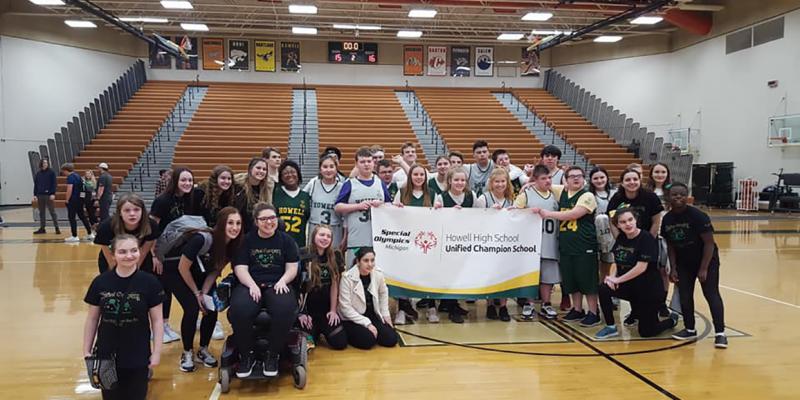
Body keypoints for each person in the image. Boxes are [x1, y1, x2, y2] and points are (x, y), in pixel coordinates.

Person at [83, 234, 164, 400]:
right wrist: (86, 349)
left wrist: (156, 352)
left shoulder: (150, 283)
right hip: (106, 354)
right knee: (110, 396)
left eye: (134, 250)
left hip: (138, 353)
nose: (129, 256)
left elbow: (157, 321)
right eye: (122, 252)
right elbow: (92, 318)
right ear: (113, 255)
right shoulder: (100, 282)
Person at [168, 207, 244, 372]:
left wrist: (204, 292)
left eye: (238, 223)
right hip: (177, 272)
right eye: (230, 223)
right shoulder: (202, 239)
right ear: (221, 223)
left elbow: (215, 271)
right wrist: (196, 293)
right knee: (192, 308)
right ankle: (187, 352)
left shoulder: (232, 246)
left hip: (202, 276)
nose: (235, 227)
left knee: (211, 307)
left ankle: (203, 349)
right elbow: (183, 267)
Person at [229, 203, 299, 378]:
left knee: (285, 310)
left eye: (272, 218)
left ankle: (272, 355)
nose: (269, 222)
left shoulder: (286, 240)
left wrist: (283, 281)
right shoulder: (246, 240)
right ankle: (247, 355)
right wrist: (251, 285)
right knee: (239, 310)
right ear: (256, 222)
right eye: (264, 219)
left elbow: (292, 267)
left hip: (278, 284)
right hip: (250, 283)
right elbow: (240, 268)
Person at [595, 208, 679, 339]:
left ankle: (671, 321)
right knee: (603, 288)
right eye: (623, 222)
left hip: (648, 290)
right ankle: (611, 327)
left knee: (646, 332)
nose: (628, 224)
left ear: (636, 220)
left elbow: (641, 267)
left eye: (630, 220)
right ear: (618, 225)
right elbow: (617, 261)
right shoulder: (621, 238)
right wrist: (612, 278)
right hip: (630, 287)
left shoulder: (646, 239)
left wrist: (618, 280)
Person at [662, 183, 727, 348]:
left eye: (682, 195)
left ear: (687, 196)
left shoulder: (698, 216)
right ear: (668, 197)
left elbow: (709, 244)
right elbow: (670, 246)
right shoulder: (667, 219)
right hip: (684, 263)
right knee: (684, 295)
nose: (678, 198)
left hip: (706, 260)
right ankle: (689, 329)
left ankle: (720, 333)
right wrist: (674, 267)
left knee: (711, 294)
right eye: (674, 195)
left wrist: (704, 268)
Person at [536, 166, 601, 327]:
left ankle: (594, 312)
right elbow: (543, 184)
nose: (576, 179)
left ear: (584, 179)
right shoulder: (562, 191)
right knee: (571, 280)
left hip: (584, 244)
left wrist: (548, 214)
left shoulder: (587, 195)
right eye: (572, 176)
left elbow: (574, 214)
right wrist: (529, 184)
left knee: (588, 280)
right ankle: (577, 309)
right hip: (566, 245)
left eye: (579, 176)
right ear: (566, 180)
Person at [607, 168, 668, 323]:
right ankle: (635, 313)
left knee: (650, 276)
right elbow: (612, 220)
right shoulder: (617, 198)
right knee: (631, 277)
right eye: (628, 180)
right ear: (622, 183)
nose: (632, 182)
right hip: (628, 244)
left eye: (635, 179)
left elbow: (656, 220)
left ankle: (659, 306)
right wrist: (621, 240)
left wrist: (647, 239)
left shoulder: (650, 197)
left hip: (647, 242)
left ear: (640, 180)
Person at [151, 167, 197, 344]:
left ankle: (166, 325)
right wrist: (154, 255)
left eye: (190, 181)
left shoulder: (189, 199)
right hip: (161, 252)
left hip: (179, 252)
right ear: (175, 181)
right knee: (163, 291)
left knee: (174, 288)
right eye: (183, 180)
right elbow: (152, 228)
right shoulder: (162, 201)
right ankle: (161, 326)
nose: (187, 184)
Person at [514, 165, 561, 320]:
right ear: (535, 180)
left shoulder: (555, 194)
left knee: (547, 277)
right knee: (531, 275)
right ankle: (529, 303)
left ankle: (546, 303)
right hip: (531, 243)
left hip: (550, 240)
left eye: (549, 178)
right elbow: (513, 213)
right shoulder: (526, 194)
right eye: (543, 178)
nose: (547, 181)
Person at [334, 147, 392, 266]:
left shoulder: (380, 183)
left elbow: (389, 207)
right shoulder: (349, 184)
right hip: (356, 239)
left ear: (373, 163)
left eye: (369, 161)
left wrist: (381, 205)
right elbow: (338, 207)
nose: (366, 164)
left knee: (375, 277)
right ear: (356, 164)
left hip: (377, 240)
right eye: (362, 162)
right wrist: (357, 206)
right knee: (353, 276)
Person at [432, 166, 475, 323]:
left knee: (460, 273)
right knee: (448, 274)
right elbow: (435, 219)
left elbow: (481, 217)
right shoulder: (441, 197)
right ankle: (450, 306)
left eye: (463, 180)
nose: (459, 182)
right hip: (447, 242)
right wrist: (443, 211)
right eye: (456, 179)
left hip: (465, 241)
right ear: (449, 181)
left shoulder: (472, 196)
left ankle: (453, 303)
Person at [391, 164, 432, 324]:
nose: (419, 177)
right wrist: (395, 209)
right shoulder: (401, 193)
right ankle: (402, 307)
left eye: (422, 174)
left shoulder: (434, 195)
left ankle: (431, 306)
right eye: (415, 174)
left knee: (427, 274)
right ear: (410, 176)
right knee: (404, 274)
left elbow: (441, 217)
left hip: (426, 242)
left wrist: (438, 209)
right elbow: (392, 216)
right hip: (406, 241)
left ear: (425, 177)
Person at [298, 225, 348, 350]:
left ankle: (323, 330)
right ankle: (314, 332)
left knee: (340, 343)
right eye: (321, 235)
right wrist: (302, 313)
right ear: (314, 236)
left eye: (328, 236)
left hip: (325, 311)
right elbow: (298, 286)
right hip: (308, 312)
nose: (325, 238)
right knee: (308, 346)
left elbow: (335, 285)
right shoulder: (304, 253)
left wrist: (333, 310)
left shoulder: (335, 255)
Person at [338, 247, 398, 349]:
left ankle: (371, 332)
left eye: (372, 260)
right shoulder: (347, 278)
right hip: (352, 318)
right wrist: (367, 324)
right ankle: (348, 332)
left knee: (391, 339)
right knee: (368, 341)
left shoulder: (378, 274)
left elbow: (383, 293)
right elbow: (345, 308)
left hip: (371, 315)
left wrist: (386, 316)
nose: (370, 264)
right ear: (358, 262)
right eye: (366, 261)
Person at [475, 168, 514, 321]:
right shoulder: (483, 199)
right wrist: (489, 213)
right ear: (491, 183)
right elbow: (475, 220)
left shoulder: (511, 199)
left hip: (506, 243)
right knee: (489, 274)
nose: (500, 184)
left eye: (503, 181)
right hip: (488, 243)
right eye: (497, 181)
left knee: (504, 274)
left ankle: (503, 306)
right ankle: (490, 304)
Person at [303, 155, 345, 249]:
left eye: (331, 166)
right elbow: (301, 198)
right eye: (325, 167)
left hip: (335, 228)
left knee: (333, 259)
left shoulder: (342, 187)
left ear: (336, 169)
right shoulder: (313, 183)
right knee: (313, 258)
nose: (328, 170)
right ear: (320, 169)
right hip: (315, 227)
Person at [273, 160, 311, 249]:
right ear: (281, 177)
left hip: (299, 244)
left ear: (298, 174)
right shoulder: (275, 193)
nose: (290, 175)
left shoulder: (305, 196)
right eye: (285, 173)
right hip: (278, 243)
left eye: (293, 172)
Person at [589, 167, 616, 280]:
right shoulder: (588, 195)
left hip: (612, 233)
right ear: (591, 180)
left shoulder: (615, 193)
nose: (599, 180)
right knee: (594, 262)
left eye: (602, 177)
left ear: (607, 178)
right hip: (594, 233)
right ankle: (598, 285)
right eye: (596, 178)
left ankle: (607, 285)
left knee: (608, 261)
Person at [234, 157, 274, 234]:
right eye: (258, 168)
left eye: (264, 169)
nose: (261, 171)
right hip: (239, 219)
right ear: (250, 169)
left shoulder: (268, 187)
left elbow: (268, 207)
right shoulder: (238, 184)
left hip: (256, 221)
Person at [61, 163, 94, 243]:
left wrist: (67, 200)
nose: (63, 173)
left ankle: (74, 235)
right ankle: (90, 233)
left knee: (72, 217)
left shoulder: (70, 177)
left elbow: (70, 189)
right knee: (82, 216)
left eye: (63, 171)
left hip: (73, 200)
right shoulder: (78, 176)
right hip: (80, 200)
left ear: (66, 170)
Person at [33, 158, 60, 234]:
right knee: (41, 212)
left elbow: (54, 184)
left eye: (46, 163)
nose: (45, 164)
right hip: (40, 195)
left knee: (52, 212)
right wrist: (35, 194)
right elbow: (36, 185)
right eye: (44, 163)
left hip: (49, 195)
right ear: (41, 164)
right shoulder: (38, 173)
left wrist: (53, 193)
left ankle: (57, 228)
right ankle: (42, 228)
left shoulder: (51, 172)